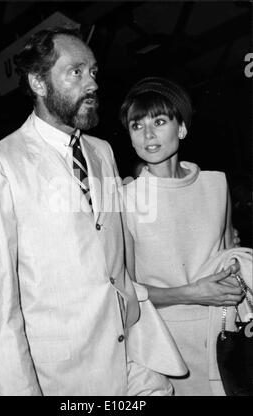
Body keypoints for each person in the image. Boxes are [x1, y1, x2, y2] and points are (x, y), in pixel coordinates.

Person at [0, 29, 185, 396]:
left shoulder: (102, 152)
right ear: (38, 82)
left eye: (94, 72)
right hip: (63, 381)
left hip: (132, 359)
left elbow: (117, 247)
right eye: (76, 72)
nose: (92, 83)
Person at [119, 77, 247, 396]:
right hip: (167, 346)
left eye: (159, 121)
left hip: (224, 332)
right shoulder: (124, 198)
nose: (148, 134)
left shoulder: (217, 184)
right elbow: (127, 292)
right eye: (137, 126)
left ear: (182, 128)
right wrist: (193, 293)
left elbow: (230, 257)